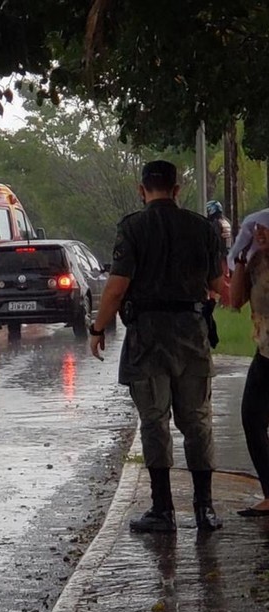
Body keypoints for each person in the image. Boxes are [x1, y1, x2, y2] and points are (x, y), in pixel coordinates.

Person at [89, 160, 224, 533]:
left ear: (142, 189)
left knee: (154, 421)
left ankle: (162, 510)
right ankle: (204, 509)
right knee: (197, 422)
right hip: (192, 337)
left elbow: (116, 287)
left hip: (147, 339)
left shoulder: (132, 228)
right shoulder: (201, 228)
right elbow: (218, 284)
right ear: (177, 189)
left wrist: (97, 327)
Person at [228, 210, 269, 516]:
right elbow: (234, 301)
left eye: (265, 229)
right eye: (256, 230)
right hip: (265, 352)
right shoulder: (256, 262)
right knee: (252, 419)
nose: (259, 233)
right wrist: (241, 260)